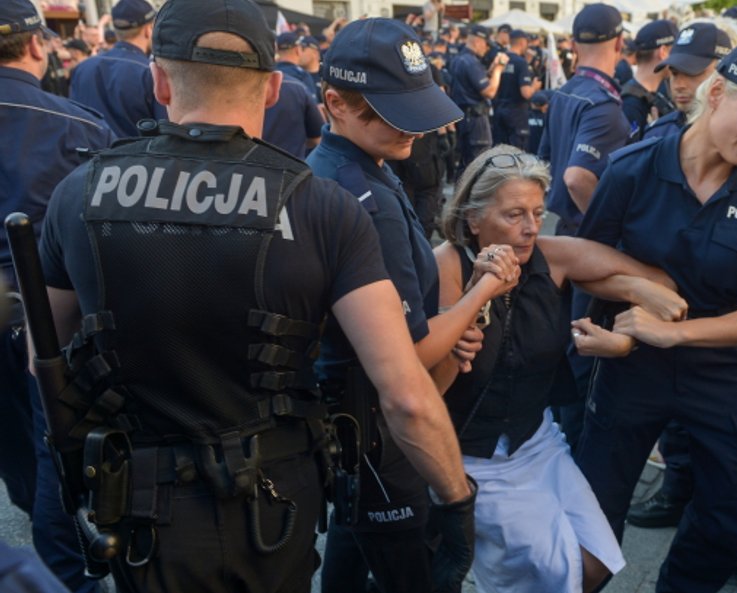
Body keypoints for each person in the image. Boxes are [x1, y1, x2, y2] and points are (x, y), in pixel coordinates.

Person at [37, 2, 476, 592]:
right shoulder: (322, 206)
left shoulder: (77, 194)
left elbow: (49, 362)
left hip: (143, 505)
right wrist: (456, 502)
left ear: (160, 80)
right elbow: (405, 393)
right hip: (275, 505)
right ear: (273, 89)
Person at [573, 36, 737, 593]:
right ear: (715, 93)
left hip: (719, 361)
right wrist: (642, 289)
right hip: (629, 359)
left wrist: (677, 331)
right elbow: (582, 265)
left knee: (734, 503)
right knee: (594, 505)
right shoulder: (633, 168)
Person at [306, 19, 510, 593]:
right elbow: (413, 352)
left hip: (356, 422)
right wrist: (481, 292)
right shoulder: (364, 195)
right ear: (336, 105)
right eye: (394, 111)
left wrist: (452, 320)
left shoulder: (355, 169)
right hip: (379, 424)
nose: (417, 126)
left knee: (349, 551)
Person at [436, 144, 690, 593]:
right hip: (472, 457)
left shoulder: (551, 257)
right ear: (473, 219)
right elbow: (429, 383)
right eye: (514, 214)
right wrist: (475, 302)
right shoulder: (448, 265)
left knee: (596, 559)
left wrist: (627, 323)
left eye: (537, 212)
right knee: (549, 572)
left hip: (537, 442)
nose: (530, 228)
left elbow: (662, 285)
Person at [0, 2, 115, 591]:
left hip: (37, 313)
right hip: (49, 320)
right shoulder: (84, 125)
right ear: (38, 46)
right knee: (55, 459)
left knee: (33, 462)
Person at [624, 21, 734, 531]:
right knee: (671, 422)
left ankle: (698, 499)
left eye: (695, 73)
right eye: (674, 73)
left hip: (720, 316)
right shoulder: (662, 133)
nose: (680, 83)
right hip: (661, 305)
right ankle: (676, 490)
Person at [538, 2, 631, 448]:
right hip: (578, 244)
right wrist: (610, 238)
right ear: (620, 42)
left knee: (558, 346)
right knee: (580, 357)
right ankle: (571, 454)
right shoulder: (604, 105)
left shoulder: (567, 91)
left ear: (574, 45)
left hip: (556, 235)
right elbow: (577, 178)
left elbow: (543, 168)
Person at [69, 0, 166, 138]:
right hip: (139, 157)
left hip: (95, 157)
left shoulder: (82, 68)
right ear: (148, 29)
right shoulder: (150, 72)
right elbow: (165, 132)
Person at [449, 24, 507, 172]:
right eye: (486, 44)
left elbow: (474, 84)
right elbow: (489, 92)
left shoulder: (459, 58)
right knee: (479, 167)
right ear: (478, 41)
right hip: (475, 119)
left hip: (463, 118)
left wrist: (492, 69)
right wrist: (499, 69)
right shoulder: (471, 61)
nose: (487, 49)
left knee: (465, 166)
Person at [620, 19, 678, 139]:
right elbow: (631, 156)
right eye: (676, 51)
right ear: (663, 52)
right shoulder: (631, 103)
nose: (679, 58)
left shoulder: (654, 94)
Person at [492, 29, 540, 150]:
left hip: (499, 110)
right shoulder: (521, 63)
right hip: (516, 114)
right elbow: (526, 93)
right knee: (518, 154)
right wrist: (534, 87)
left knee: (500, 152)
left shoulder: (500, 59)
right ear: (522, 43)